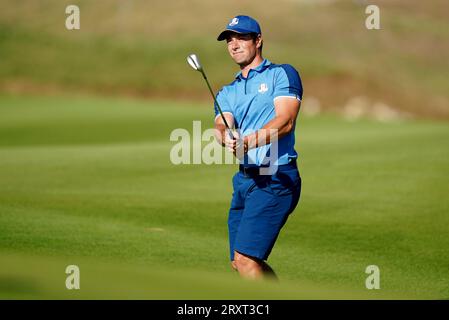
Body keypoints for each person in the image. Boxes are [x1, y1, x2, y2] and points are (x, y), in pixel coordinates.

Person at [214, 15, 303, 280]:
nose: (234, 44)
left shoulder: (281, 74)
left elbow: (285, 121)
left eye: (241, 37)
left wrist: (248, 140)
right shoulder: (227, 91)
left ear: (258, 40)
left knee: (245, 260)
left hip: (276, 177)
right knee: (239, 262)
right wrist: (224, 137)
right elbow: (221, 124)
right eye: (230, 39)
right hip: (244, 180)